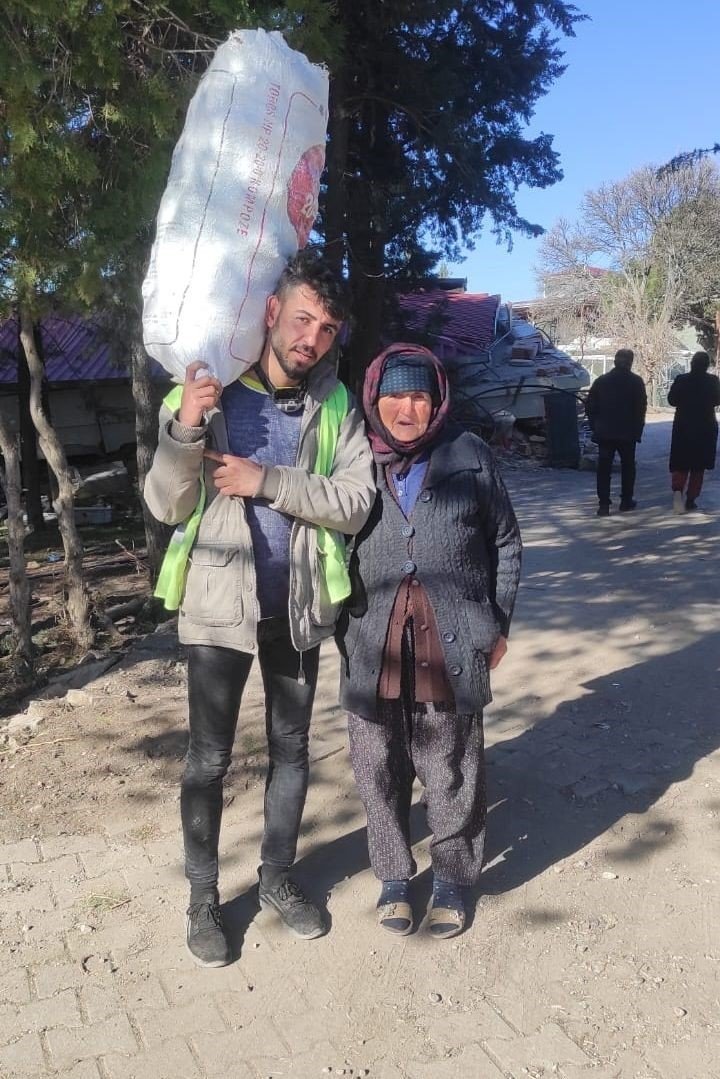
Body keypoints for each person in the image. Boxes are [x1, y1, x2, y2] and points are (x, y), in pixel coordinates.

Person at [144, 251, 374, 967]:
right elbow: (165, 502)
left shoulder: (335, 405)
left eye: (327, 327)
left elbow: (355, 502)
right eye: (302, 317)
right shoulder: (207, 393)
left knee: (292, 754)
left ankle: (277, 879)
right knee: (208, 760)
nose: (312, 337)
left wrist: (266, 480)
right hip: (219, 608)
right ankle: (203, 900)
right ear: (270, 312)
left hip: (299, 611)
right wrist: (185, 427)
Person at [336, 344, 522, 939]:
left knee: (452, 767)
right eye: (395, 395)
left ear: (438, 401)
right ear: (374, 399)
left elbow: (508, 543)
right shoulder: (354, 460)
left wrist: (497, 622)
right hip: (371, 641)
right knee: (376, 766)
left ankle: (453, 876)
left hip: (454, 638)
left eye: (420, 395)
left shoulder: (470, 456)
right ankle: (393, 873)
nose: (407, 408)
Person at [585, 348, 647, 516]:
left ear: (614, 361)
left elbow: (590, 406)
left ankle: (603, 504)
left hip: (605, 432)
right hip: (627, 433)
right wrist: (637, 431)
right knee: (628, 467)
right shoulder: (636, 382)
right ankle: (626, 501)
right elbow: (640, 409)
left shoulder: (601, 381)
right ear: (630, 363)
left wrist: (595, 426)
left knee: (604, 468)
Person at [668, 351, 720, 513]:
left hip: (683, 426)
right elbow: (718, 400)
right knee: (699, 466)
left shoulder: (681, 380)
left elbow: (671, 400)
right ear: (707, 365)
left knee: (681, 462)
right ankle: (691, 498)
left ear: (691, 364)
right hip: (705, 426)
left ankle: (677, 491)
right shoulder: (713, 381)